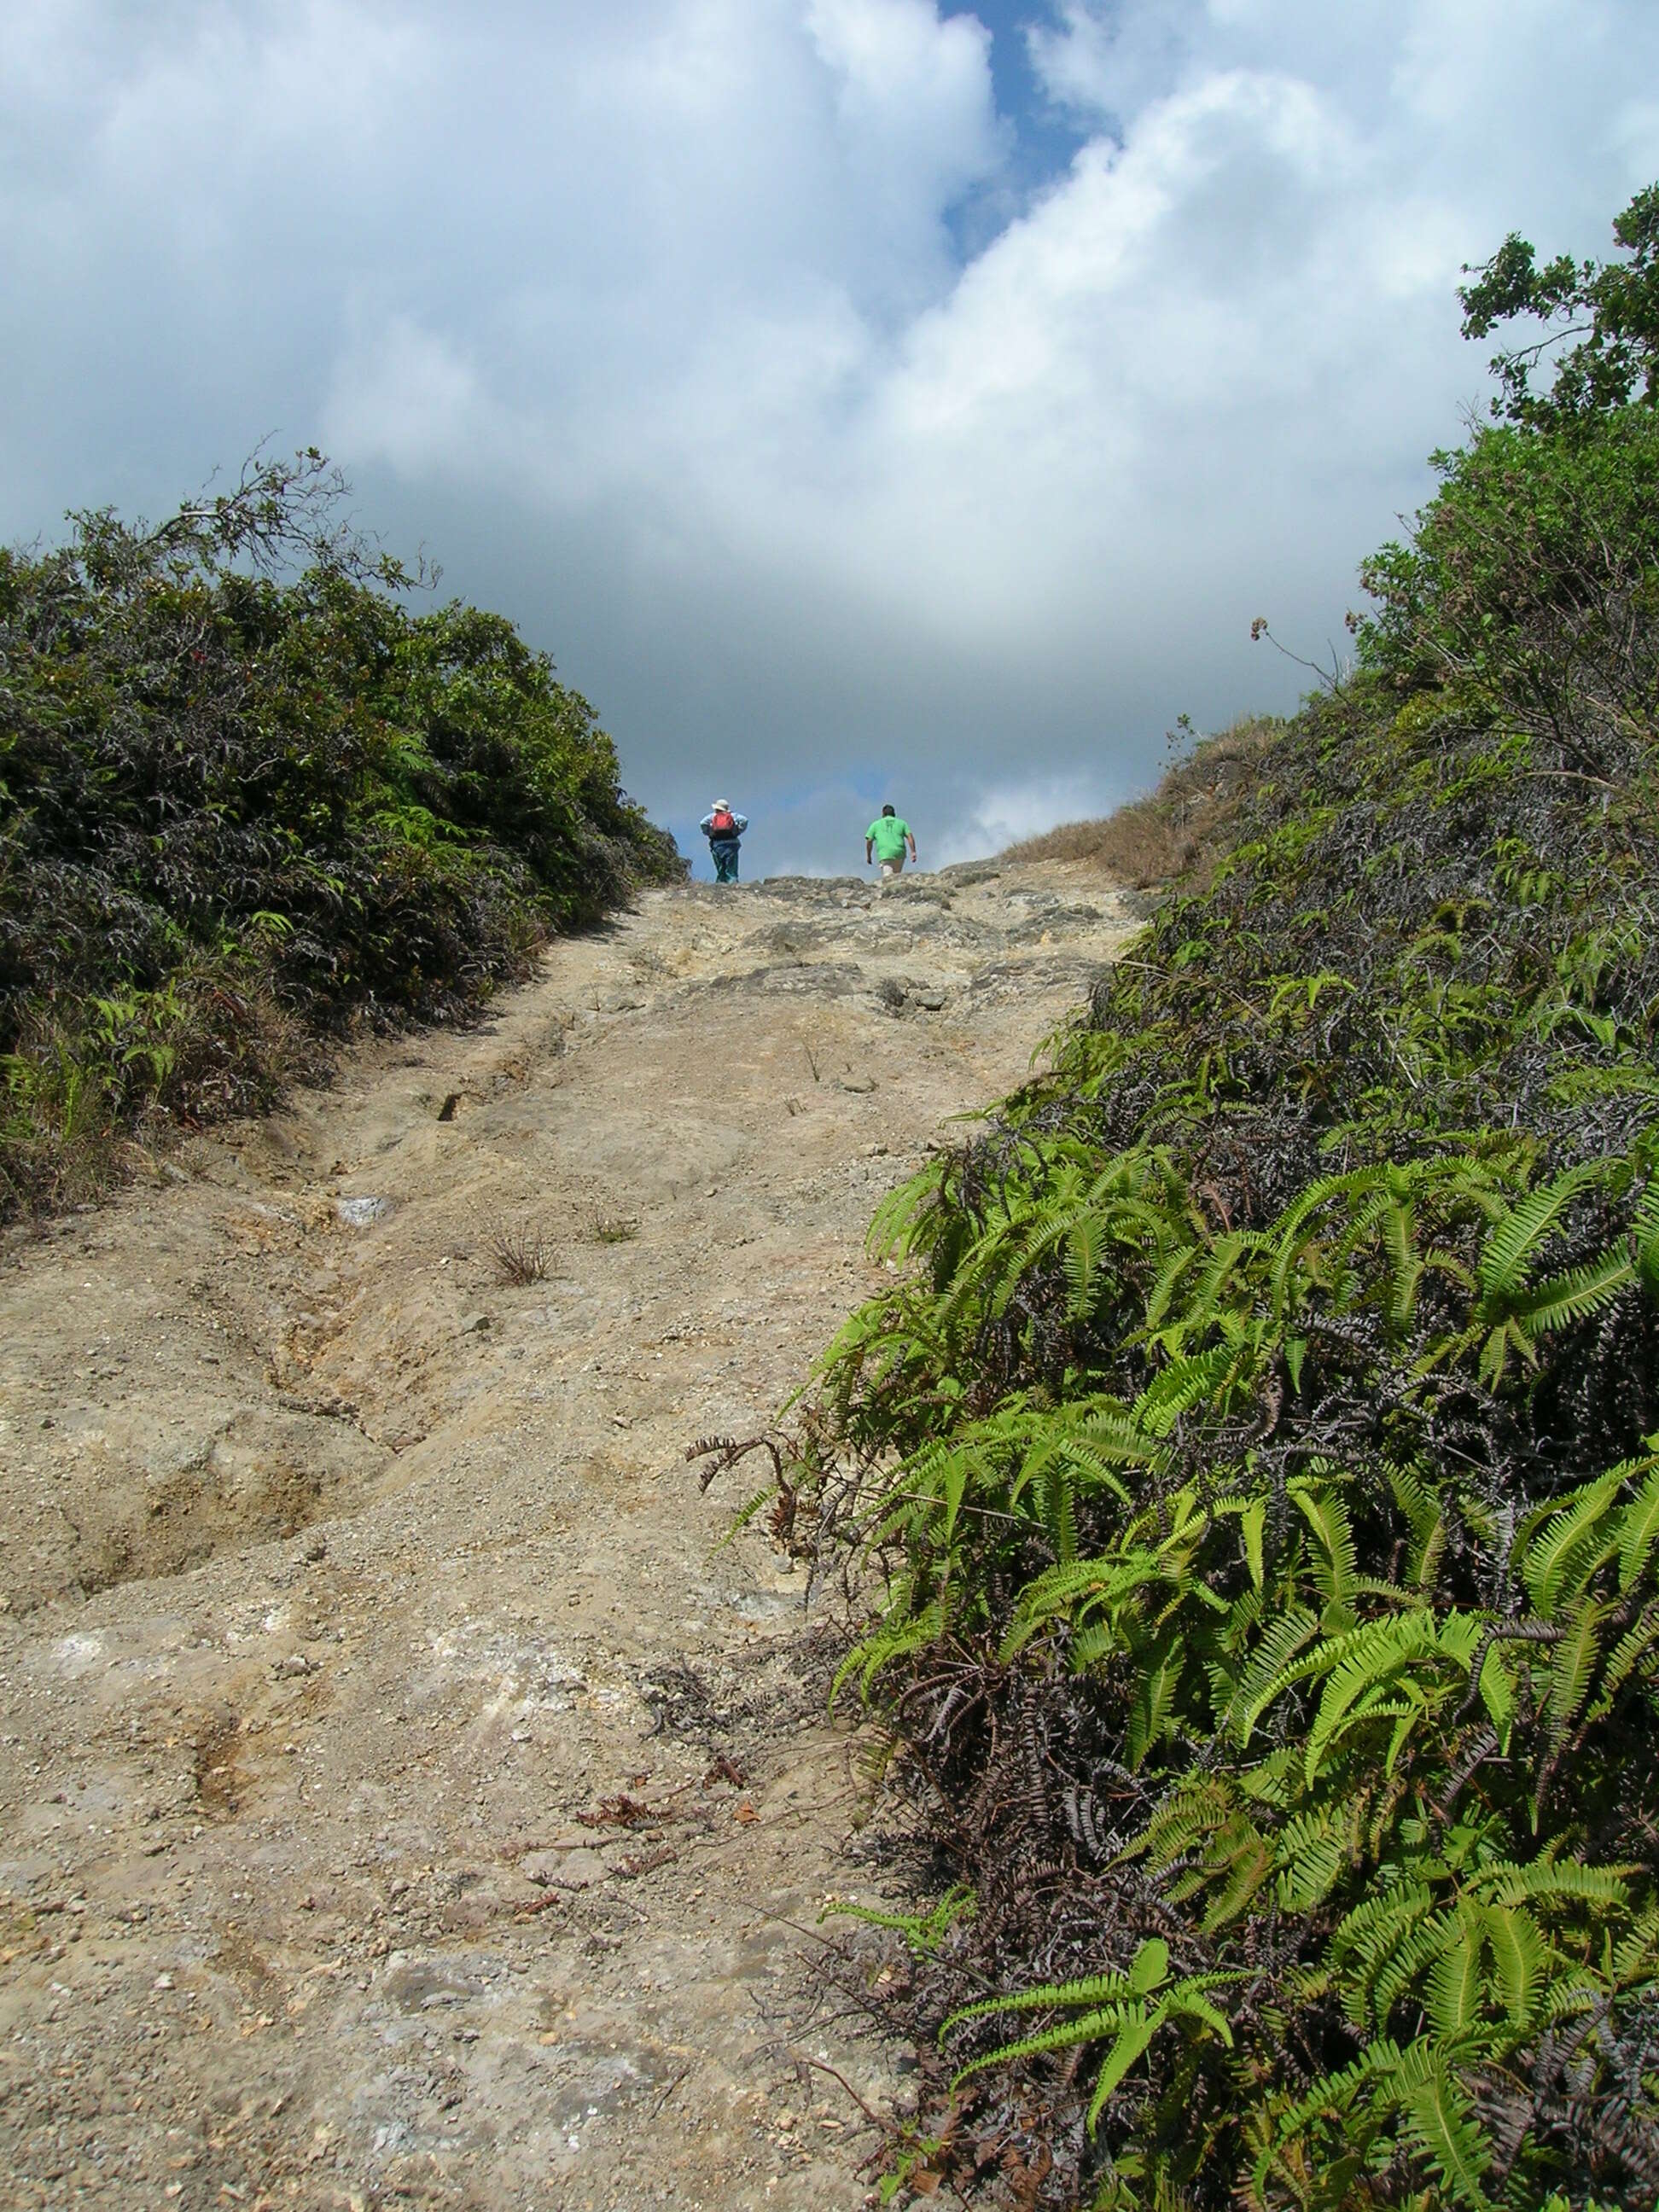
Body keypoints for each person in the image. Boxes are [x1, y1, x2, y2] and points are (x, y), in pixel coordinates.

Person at [700, 797, 748, 883]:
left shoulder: (712, 816)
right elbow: (744, 820)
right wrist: (738, 831)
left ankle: (721, 885)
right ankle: (733, 886)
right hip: (732, 844)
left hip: (717, 845)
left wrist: (708, 833)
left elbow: (702, 823)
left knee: (721, 869)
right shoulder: (733, 816)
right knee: (731, 870)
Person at [865, 803, 917, 880]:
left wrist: (869, 856)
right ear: (894, 813)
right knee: (896, 876)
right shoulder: (902, 823)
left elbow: (869, 841)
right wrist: (913, 852)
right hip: (900, 853)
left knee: (888, 878)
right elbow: (910, 837)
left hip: (885, 854)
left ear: (883, 814)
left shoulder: (875, 824)